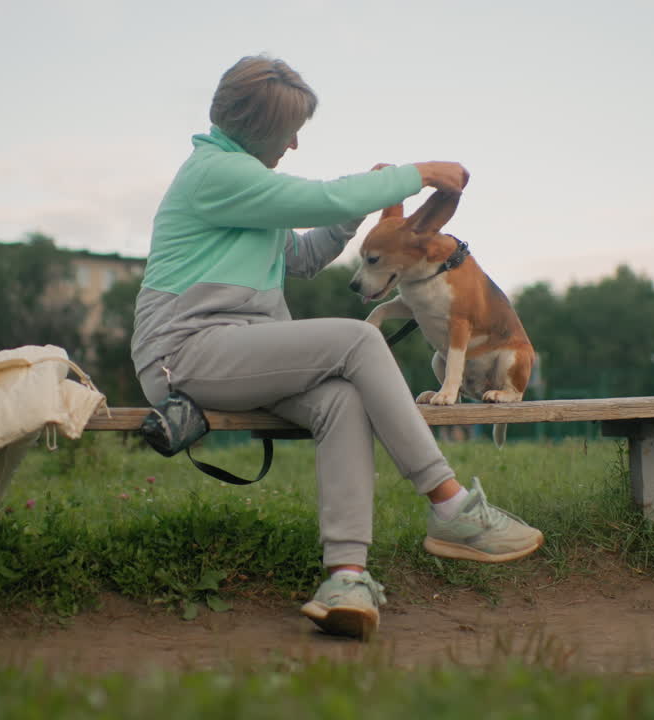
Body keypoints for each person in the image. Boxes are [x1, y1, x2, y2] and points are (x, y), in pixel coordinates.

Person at [131, 54, 543, 639]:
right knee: (356, 338)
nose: (296, 144)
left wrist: (357, 217)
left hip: (245, 351)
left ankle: (346, 577)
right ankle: (451, 507)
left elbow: (299, 257)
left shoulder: (246, 191)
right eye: (291, 132)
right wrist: (413, 173)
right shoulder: (214, 175)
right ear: (263, 131)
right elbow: (321, 198)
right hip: (186, 349)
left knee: (342, 401)